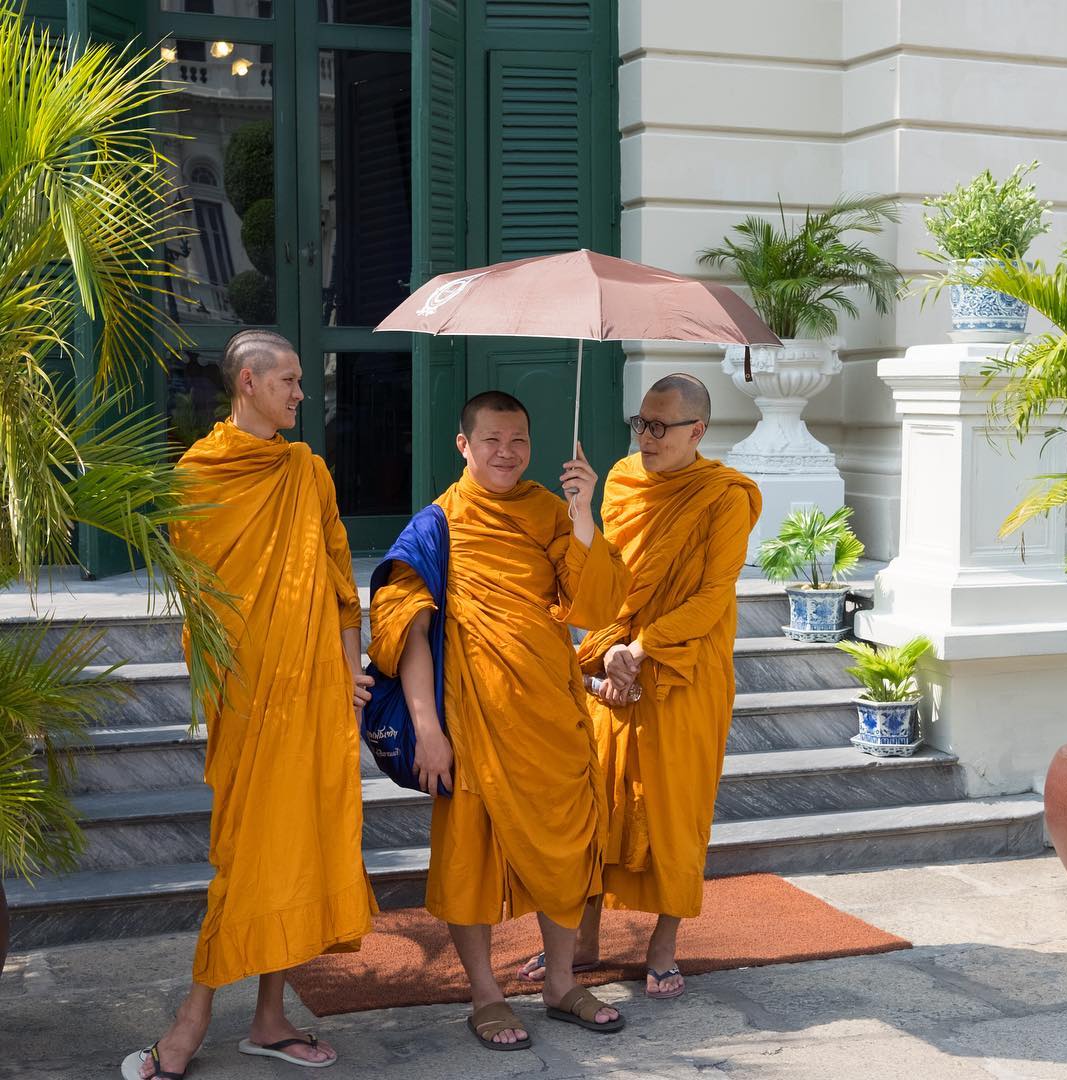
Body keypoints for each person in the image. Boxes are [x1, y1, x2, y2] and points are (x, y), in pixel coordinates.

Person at [121, 330, 376, 1079]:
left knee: (290, 850)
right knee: (246, 853)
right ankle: (193, 1017)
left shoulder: (309, 472)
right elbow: (199, 599)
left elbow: (340, 585)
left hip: (312, 691)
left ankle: (267, 1017)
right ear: (249, 384)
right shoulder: (197, 476)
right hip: (246, 693)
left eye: (299, 380)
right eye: (289, 380)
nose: (302, 392)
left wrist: (350, 673)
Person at [366, 391, 630, 1050]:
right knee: (471, 860)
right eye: (492, 440)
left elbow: (593, 607)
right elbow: (406, 633)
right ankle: (485, 995)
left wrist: (583, 515)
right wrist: (428, 730)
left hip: (549, 714)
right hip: (472, 722)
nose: (507, 453)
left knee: (570, 845)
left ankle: (560, 983)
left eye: (518, 440)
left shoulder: (549, 511)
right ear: (464, 445)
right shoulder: (436, 526)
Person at [518, 373, 761, 1000]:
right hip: (613, 663)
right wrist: (581, 513)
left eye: (659, 427)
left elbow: (712, 596)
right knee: (597, 804)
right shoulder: (622, 481)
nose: (645, 437)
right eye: (640, 423)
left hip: (685, 670)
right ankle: (582, 941)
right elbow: (607, 579)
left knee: (676, 806)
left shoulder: (725, 497)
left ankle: (663, 946)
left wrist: (641, 649)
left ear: (697, 431)